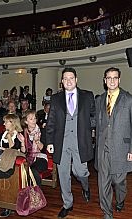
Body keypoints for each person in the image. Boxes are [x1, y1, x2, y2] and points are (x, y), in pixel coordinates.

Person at [46, 67, 95, 218]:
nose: (68, 81)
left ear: (76, 80)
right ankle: (67, 204)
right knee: (63, 175)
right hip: (61, 142)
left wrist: (88, 128)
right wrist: (49, 141)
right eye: (65, 78)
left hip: (81, 141)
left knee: (80, 172)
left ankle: (85, 187)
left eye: (71, 78)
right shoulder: (55, 98)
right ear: (62, 82)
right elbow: (51, 121)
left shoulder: (87, 96)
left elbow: (94, 116)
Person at [95, 67, 132, 219]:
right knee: (103, 182)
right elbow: (97, 122)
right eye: (109, 78)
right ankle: (107, 213)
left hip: (122, 148)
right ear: (104, 80)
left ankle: (120, 200)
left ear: (119, 80)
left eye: (115, 78)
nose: (112, 80)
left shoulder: (130, 99)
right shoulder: (99, 100)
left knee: (118, 181)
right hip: (103, 149)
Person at [20, 110, 48, 186]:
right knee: (20, 169)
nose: (34, 121)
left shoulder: (42, 131)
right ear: (26, 121)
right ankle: (25, 192)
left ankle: (37, 193)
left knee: (32, 170)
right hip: (27, 158)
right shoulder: (23, 133)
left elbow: (44, 149)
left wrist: (37, 141)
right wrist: (22, 142)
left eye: (35, 118)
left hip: (41, 158)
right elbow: (23, 152)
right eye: (31, 119)